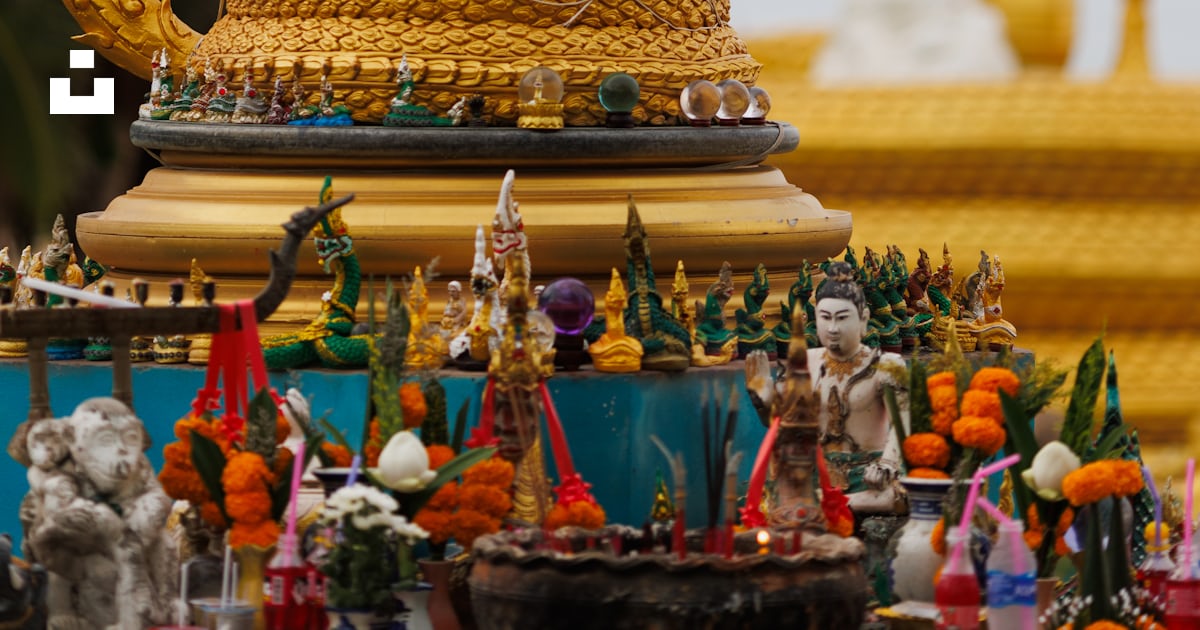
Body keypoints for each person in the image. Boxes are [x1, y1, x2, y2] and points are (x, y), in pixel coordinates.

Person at [808, 261, 908, 514]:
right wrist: (762, 400)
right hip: (818, 471)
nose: (832, 328)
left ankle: (834, 504)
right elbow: (784, 422)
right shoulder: (806, 362)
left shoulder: (886, 365)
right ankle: (827, 502)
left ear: (863, 319)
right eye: (825, 318)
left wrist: (887, 463)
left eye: (842, 318)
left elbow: (905, 422)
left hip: (869, 475)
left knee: (895, 496)